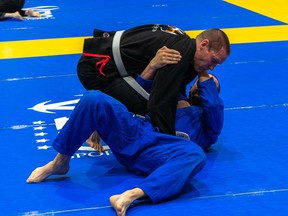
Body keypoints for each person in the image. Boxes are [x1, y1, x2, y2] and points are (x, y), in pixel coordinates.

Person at [26, 71, 223, 215]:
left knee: (195, 154)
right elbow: (138, 90)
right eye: (200, 83)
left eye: (211, 85)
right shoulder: (173, 96)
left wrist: (204, 75)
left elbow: (213, 105)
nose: (204, 83)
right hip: (135, 133)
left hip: (157, 152)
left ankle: (131, 195)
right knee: (94, 98)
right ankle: (60, 162)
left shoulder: (206, 125)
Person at [77, 24, 230, 135]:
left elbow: (175, 87)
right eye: (214, 60)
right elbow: (159, 105)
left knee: (164, 99)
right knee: (145, 108)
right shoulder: (178, 53)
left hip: (111, 59)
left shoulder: (187, 51)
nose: (211, 68)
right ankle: (98, 120)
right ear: (204, 44)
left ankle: (99, 118)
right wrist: (172, 145)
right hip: (98, 68)